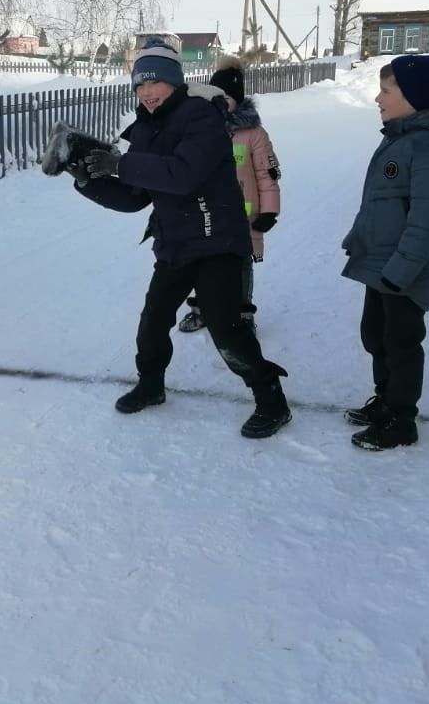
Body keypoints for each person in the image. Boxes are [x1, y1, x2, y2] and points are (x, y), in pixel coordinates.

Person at [68, 38, 292, 439]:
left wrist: (121, 162)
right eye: (139, 85)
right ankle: (151, 384)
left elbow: (183, 174)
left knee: (226, 328)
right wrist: (88, 180)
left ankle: (270, 397)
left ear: (174, 82)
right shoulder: (144, 129)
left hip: (217, 240)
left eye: (154, 83)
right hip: (175, 244)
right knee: (153, 321)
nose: (147, 92)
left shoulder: (202, 119)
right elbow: (136, 198)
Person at [341, 53, 429, 450]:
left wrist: (401, 270)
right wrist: (359, 237)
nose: (378, 99)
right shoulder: (402, 138)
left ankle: (401, 420)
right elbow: (383, 202)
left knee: (401, 342)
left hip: (403, 269)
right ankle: (385, 400)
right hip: (380, 262)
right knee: (375, 336)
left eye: (386, 90)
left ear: (413, 95)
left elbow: (428, 221)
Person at [179, 56, 281, 334]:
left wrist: (269, 210)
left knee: (241, 264)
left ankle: (243, 312)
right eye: (216, 97)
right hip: (207, 215)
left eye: (227, 98)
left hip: (243, 216)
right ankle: (201, 309)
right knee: (203, 261)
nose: (220, 103)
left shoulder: (254, 134)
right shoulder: (200, 129)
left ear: (238, 100)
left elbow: (267, 174)